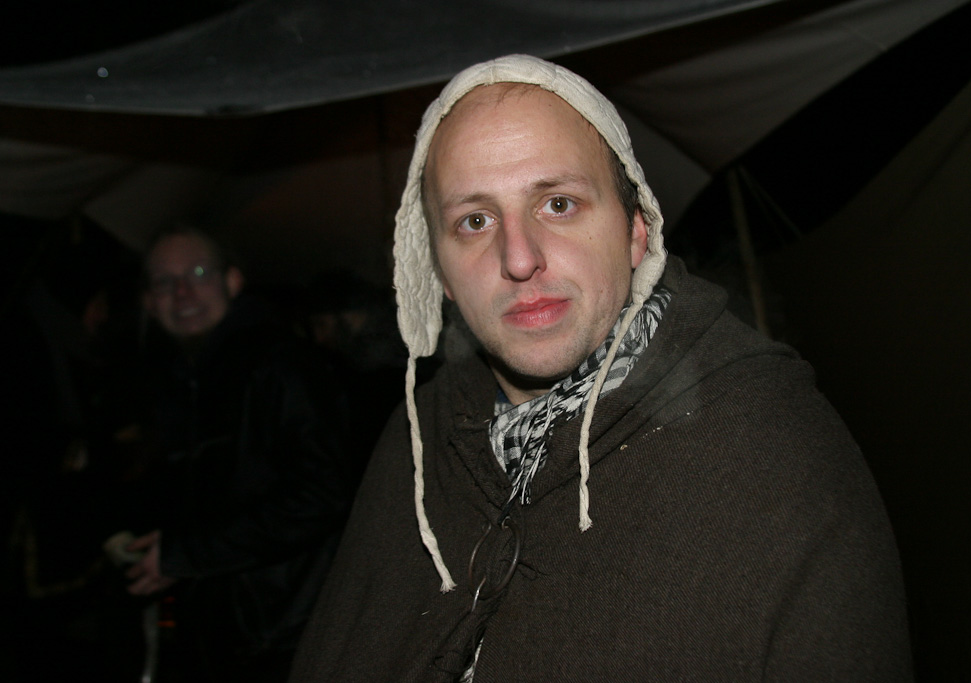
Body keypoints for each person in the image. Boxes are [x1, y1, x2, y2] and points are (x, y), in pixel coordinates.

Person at [289, 55, 912, 681]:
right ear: (441, 274)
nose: (519, 257)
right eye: (475, 221)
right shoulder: (419, 443)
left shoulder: (769, 451)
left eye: (558, 204)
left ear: (636, 229)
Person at [124, 227, 354, 682]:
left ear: (232, 282)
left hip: (288, 634)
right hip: (231, 633)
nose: (182, 292)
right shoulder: (186, 378)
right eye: (165, 282)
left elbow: (323, 494)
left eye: (197, 274)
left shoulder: (278, 366)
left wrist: (189, 555)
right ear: (149, 301)